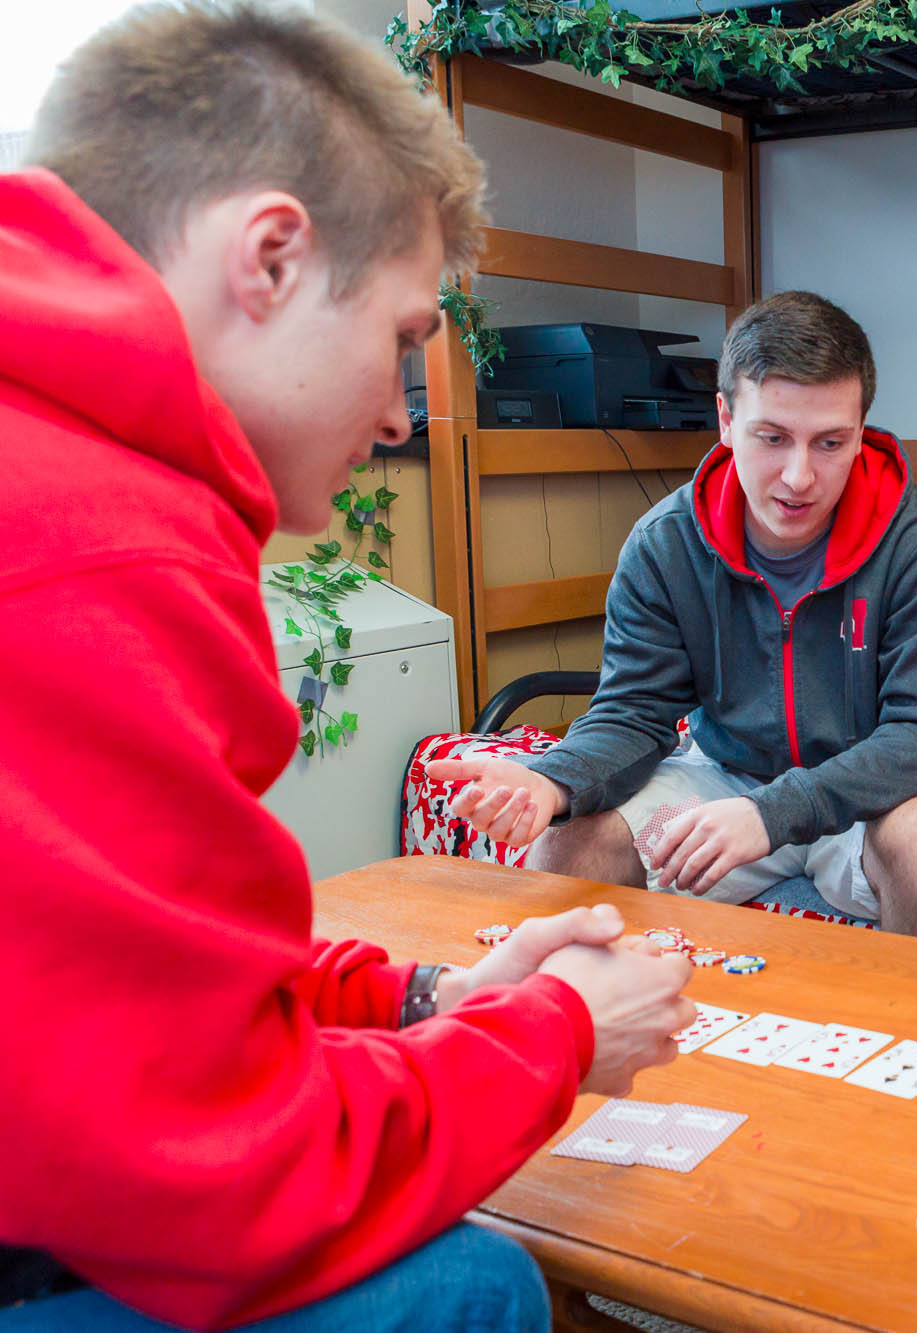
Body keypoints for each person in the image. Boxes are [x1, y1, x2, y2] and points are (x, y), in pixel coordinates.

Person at [0, 6, 697, 1329]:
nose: (397, 410)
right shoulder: (103, 551)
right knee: (479, 1286)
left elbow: (170, 974)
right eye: (402, 338)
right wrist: (553, 1036)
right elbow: (219, 1180)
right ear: (268, 258)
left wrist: (428, 996)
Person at [430, 292, 917, 944]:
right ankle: (602, 1037)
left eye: (831, 442)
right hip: (725, 774)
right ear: (725, 418)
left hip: (876, 792)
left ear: (862, 428)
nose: (800, 475)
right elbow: (633, 712)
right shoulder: (666, 542)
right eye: (772, 438)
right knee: (568, 852)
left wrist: (774, 811)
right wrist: (552, 781)